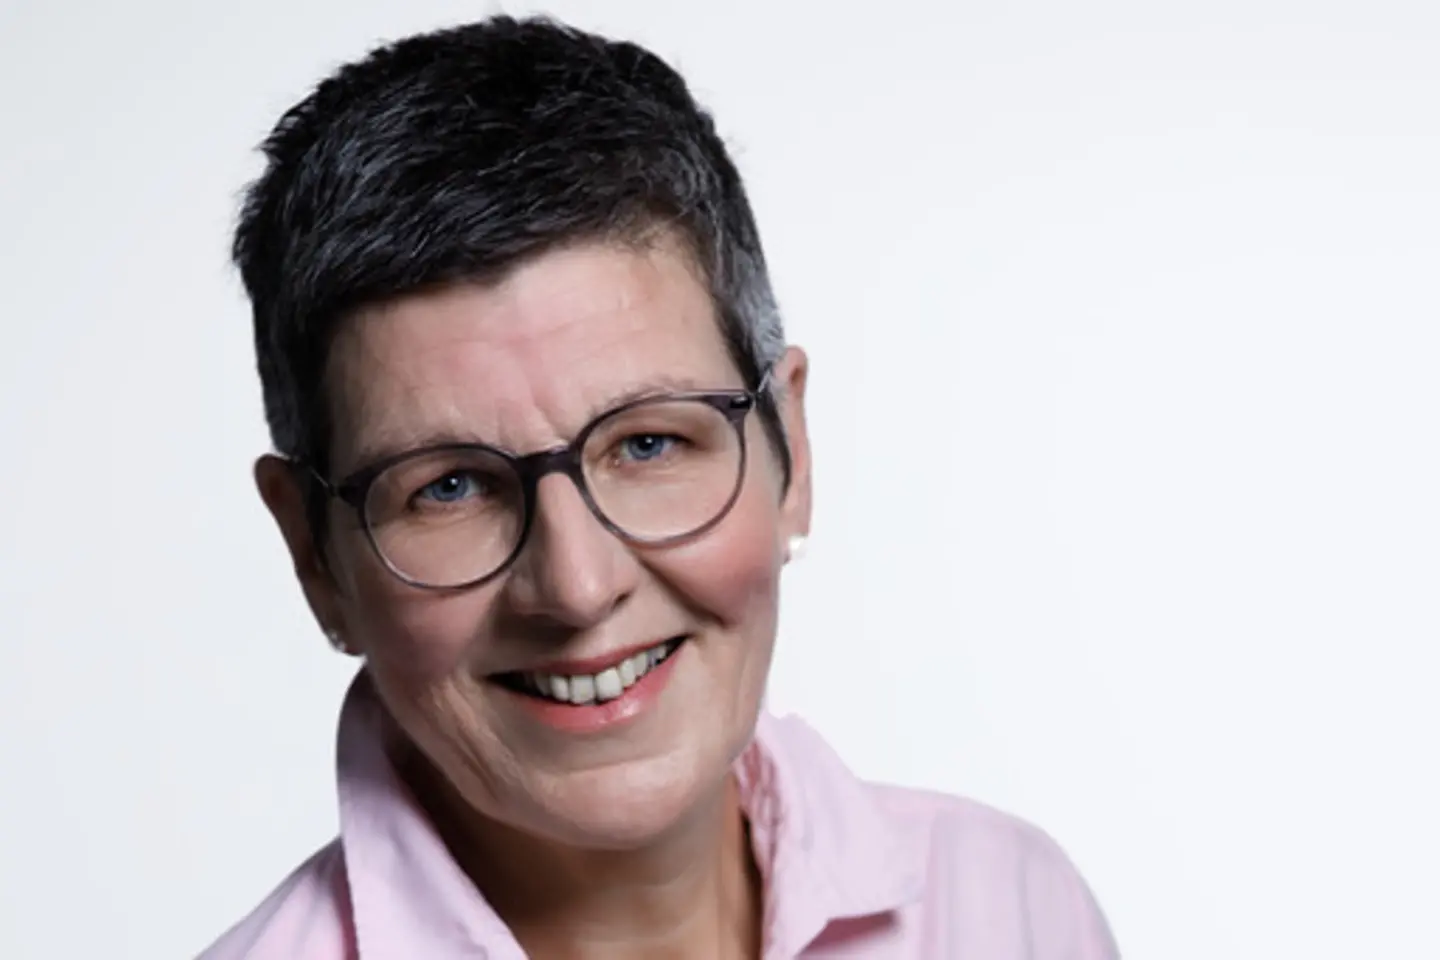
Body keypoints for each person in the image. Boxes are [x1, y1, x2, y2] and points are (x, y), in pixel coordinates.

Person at [200, 15, 1118, 960]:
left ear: (792, 450)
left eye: (647, 444)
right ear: (315, 556)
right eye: (451, 487)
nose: (577, 587)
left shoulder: (1009, 909)